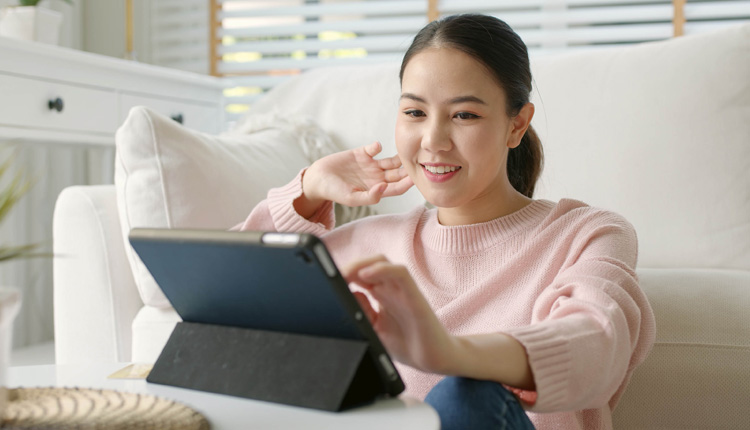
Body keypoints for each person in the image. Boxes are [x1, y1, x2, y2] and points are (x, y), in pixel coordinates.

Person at [235, 14, 655, 430]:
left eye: (464, 115)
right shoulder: (368, 246)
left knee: (466, 395)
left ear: (517, 124)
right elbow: (218, 296)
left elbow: (597, 344)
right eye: (415, 113)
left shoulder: (586, 234)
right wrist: (306, 190)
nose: (433, 141)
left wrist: (450, 353)